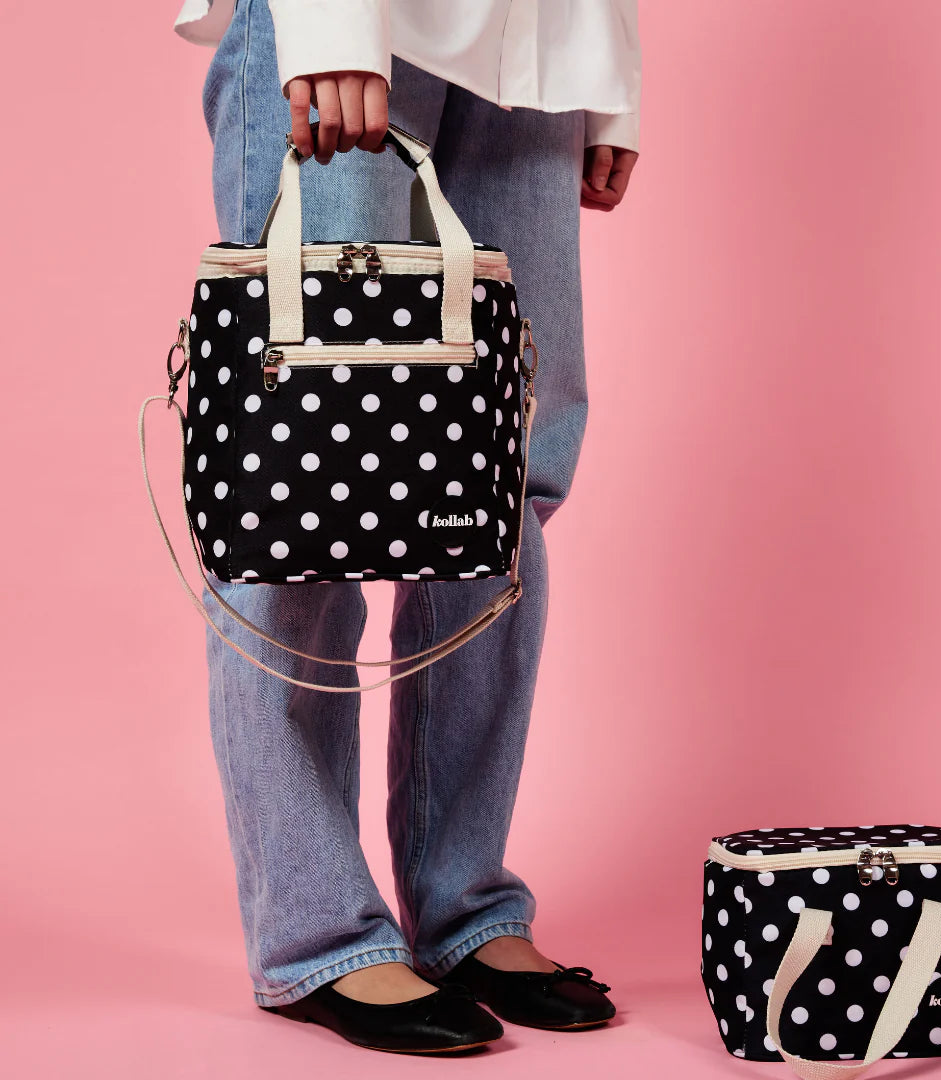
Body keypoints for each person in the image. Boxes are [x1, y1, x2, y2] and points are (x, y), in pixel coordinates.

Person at [173, 0, 641, 1055]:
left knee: (500, 487)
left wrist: (608, 71)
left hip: (535, 45)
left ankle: (464, 905)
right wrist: (331, 24)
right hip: (361, 23)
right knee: (301, 485)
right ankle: (319, 932)